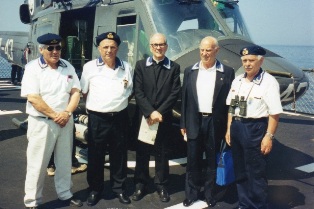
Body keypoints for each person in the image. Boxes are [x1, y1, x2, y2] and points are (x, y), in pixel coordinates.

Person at [21, 33, 82, 208]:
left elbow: (76, 92)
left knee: (64, 162)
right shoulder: (33, 68)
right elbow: (33, 97)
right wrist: (56, 115)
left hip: (65, 121)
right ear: (41, 49)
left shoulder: (67, 66)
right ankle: (32, 201)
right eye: (51, 48)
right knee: (37, 164)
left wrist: (67, 113)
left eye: (58, 48)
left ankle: (65, 194)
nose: (55, 51)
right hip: (42, 123)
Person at [180, 36, 235, 207]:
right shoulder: (190, 70)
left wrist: (228, 127)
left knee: (212, 160)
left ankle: (210, 194)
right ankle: (192, 193)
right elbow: (185, 100)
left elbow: (230, 103)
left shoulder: (227, 72)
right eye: (202, 50)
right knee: (193, 160)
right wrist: (183, 124)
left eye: (208, 50)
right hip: (194, 121)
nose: (204, 53)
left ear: (216, 51)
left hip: (214, 122)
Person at [80, 32, 134, 206]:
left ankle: (119, 189)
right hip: (98, 118)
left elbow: (129, 89)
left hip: (120, 117)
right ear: (99, 49)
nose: (109, 50)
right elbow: (84, 90)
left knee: (119, 155)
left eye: (112, 47)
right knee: (96, 155)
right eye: (105, 47)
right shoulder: (90, 67)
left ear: (117, 48)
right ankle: (95, 190)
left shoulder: (126, 66)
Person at [226, 46, 283, 209]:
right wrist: (229, 128)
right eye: (244, 60)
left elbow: (274, 113)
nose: (247, 64)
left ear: (261, 60)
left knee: (256, 172)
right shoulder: (237, 80)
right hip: (237, 126)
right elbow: (231, 106)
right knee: (241, 170)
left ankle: (258, 206)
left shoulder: (269, 82)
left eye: (251, 60)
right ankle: (244, 204)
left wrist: (269, 137)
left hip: (255, 128)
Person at [132, 33, 181, 203]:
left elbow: (175, 92)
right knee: (142, 152)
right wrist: (149, 112)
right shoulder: (140, 66)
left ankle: (161, 184)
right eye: (155, 45)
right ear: (150, 47)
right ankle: (140, 183)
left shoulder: (174, 67)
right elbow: (138, 91)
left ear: (166, 46)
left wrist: (159, 112)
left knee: (162, 152)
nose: (158, 48)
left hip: (163, 118)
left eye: (161, 45)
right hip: (145, 117)